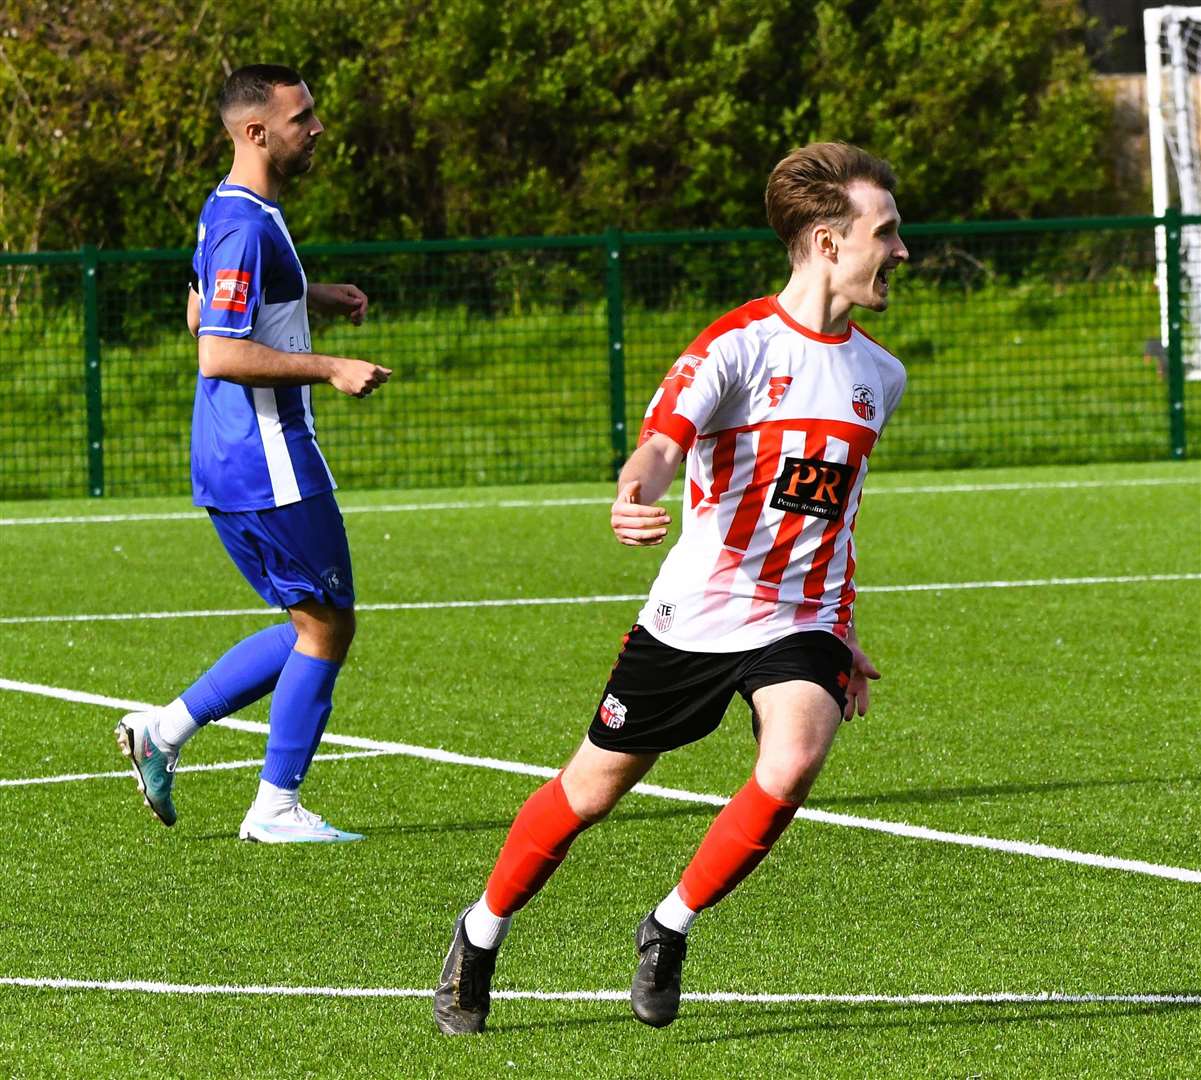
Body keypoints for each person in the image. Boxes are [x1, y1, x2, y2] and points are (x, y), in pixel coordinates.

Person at [434, 142, 909, 1032]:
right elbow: (659, 443)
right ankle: (481, 930)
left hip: (796, 620)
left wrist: (839, 629)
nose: (902, 251)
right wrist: (632, 494)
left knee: (796, 753)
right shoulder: (734, 346)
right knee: (592, 789)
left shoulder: (880, 376)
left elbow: (836, 518)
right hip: (692, 618)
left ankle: (668, 924)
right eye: (887, 232)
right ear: (826, 242)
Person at [114, 64, 391, 843]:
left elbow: (205, 301)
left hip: (236, 455)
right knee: (327, 626)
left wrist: (312, 294)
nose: (317, 129)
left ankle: (162, 731)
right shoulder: (244, 224)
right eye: (302, 118)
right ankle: (274, 808)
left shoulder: (231, 208)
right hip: (267, 457)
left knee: (313, 620)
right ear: (256, 132)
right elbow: (217, 350)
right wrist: (330, 365)